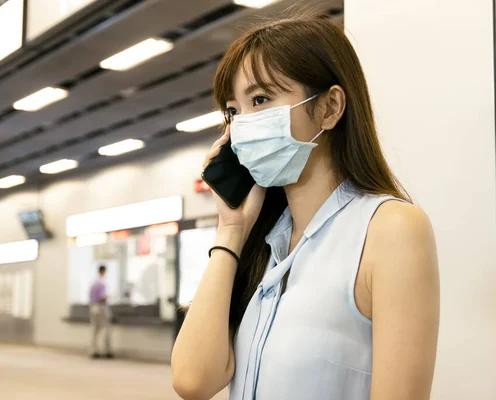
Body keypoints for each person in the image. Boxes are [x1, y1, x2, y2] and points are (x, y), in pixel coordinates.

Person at [171, 14, 439, 400]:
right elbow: (193, 381)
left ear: (330, 107)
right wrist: (230, 231)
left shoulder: (390, 229)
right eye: (234, 111)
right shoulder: (265, 243)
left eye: (261, 100)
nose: (243, 126)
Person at [89, 265, 113, 359]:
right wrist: (109, 296)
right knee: (105, 329)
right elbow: (102, 297)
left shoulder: (93, 283)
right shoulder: (102, 283)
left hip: (93, 307)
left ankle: (94, 350)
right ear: (104, 271)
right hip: (101, 307)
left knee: (95, 329)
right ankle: (106, 351)